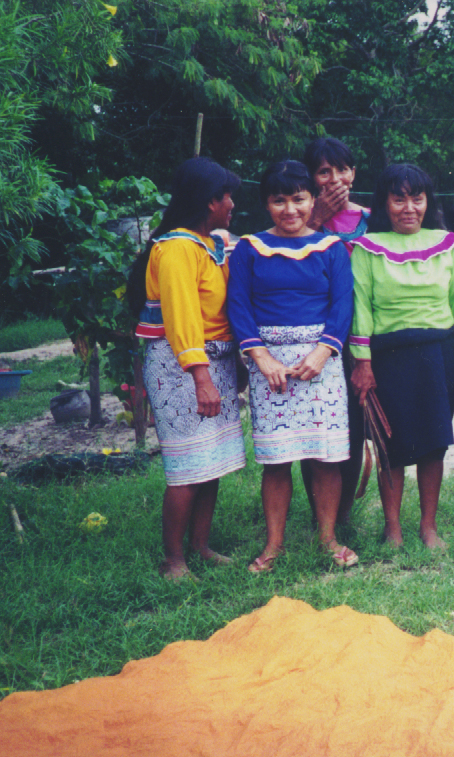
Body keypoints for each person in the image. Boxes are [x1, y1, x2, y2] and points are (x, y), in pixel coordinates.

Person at [226, 160, 356, 572]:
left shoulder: (332, 248)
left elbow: (342, 304)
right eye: (278, 201)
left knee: (325, 457)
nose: (290, 210)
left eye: (298, 199)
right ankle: (274, 544)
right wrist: (261, 357)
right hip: (270, 368)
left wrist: (322, 353)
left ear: (312, 200)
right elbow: (239, 305)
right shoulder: (248, 248)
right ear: (266, 204)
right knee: (277, 460)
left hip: (322, 364)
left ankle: (328, 539)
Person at [129, 157, 245, 580]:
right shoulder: (176, 248)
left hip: (214, 362)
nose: (232, 203)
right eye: (227, 196)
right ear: (209, 200)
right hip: (182, 367)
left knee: (210, 461)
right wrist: (200, 377)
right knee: (186, 467)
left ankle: (200, 545)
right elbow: (181, 318)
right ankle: (173, 559)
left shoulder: (207, 243)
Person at [348, 164, 454, 549]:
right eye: (399, 198)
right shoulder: (366, 248)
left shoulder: (447, 244)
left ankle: (428, 527)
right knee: (389, 443)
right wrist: (362, 363)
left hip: (437, 354)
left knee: (434, 442)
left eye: (417, 197)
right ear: (385, 202)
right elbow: (360, 306)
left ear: (428, 201)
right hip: (386, 358)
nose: (409, 207)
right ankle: (392, 528)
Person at [302, 137, 370, 526]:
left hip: (358, 335)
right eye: (323, 172)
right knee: (315, 427)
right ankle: (318, 515)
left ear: (353, 173)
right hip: (311, 336)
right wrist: (316, 219)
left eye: (341, 169)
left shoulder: (372, 219)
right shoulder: (296, 218)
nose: (334, 180)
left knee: (354, 422)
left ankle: (342, 515)